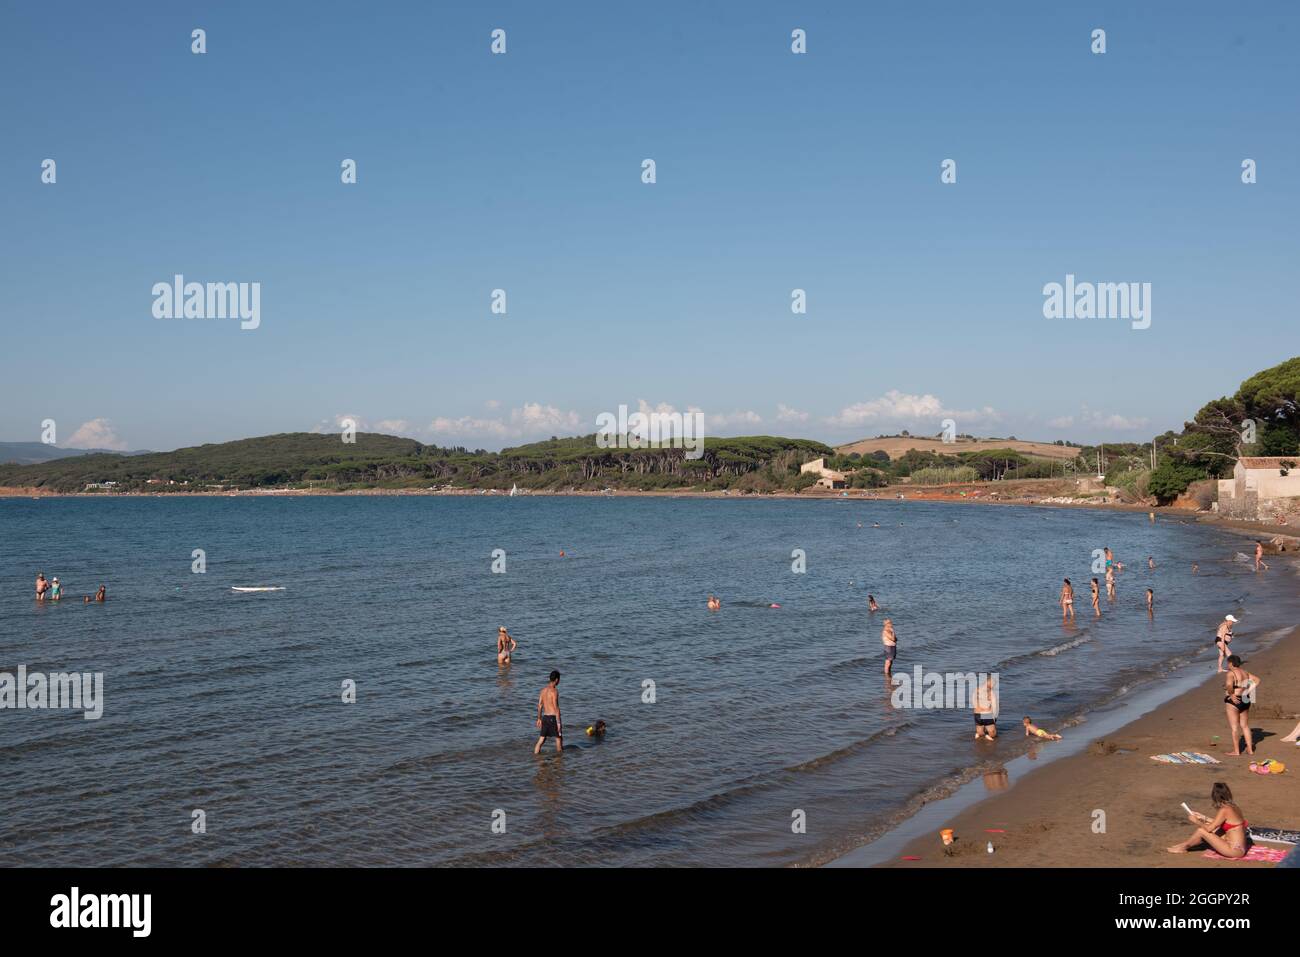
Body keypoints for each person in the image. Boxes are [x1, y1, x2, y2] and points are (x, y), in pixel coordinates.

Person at [1167, 782, 1250, 857]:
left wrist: (1196, 821)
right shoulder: (1233, 807)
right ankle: (1184, 845)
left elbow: (1209, 828)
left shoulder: (1224, 810)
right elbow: (1219, 823)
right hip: (1239, 848)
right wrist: (1202, 817)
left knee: (1201, 831)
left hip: (1234, 851)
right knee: (1207, 827)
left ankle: (1184, 847)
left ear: (1215, 797)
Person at [1223, 654, 1259, 756]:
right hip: (1245, 698)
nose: (1227, 665)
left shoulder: (1231, 673)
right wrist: (1248, 690)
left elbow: (1229, 685)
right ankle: (1250, 750)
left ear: (1230, 663)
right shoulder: (1245, 672)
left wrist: (1232, 695)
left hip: (1235, 701)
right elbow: (1257, 680)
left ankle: (1236, 751)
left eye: (1228, 663)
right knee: (1245, 726)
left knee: (1234, 728)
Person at [534, 670, 563, 754]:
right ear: (557, 680)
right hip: (553, 718)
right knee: (559, 738)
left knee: (541, 740)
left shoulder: (543, 691)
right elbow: (556, 707)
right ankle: (559, 761)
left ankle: (536, 757)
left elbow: (539, 705)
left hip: (545, 717)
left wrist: (539, 719)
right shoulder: (554, 691)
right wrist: (558, 723)